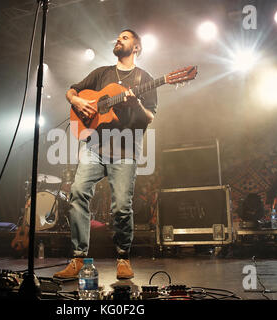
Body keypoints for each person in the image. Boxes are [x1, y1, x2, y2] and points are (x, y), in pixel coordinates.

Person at [53, 29, 157, 280]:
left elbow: (150, 117)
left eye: (125, 37)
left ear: (137, 47)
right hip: (94, 147)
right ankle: (78, 258)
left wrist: (137, 104)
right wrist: (77, 102)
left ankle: (123, 257)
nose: (118, 40)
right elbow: (72, 90)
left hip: (126, 149)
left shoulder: (146, 78)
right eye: (118, 37)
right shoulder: (101, 73)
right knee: (77, 193)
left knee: (121, 206)